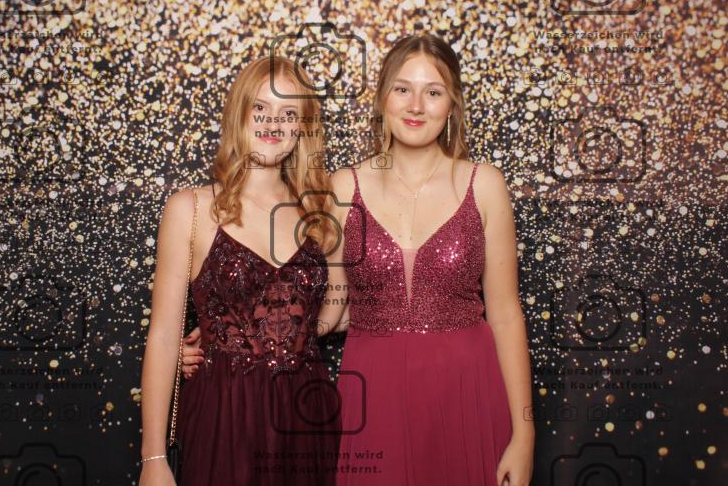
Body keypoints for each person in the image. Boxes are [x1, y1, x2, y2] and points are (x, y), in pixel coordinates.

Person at [319, 33, 535, 485]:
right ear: (382, 97)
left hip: (467, 391)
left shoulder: (484, 185)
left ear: (452, 105)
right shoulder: (343, 187)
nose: (416, 105)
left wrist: (525, 434)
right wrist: (238, 331)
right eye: (403, 89)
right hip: (373, 393)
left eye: (433, 92)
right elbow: (330, 312)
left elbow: (506, 314)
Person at [138, 55, 340, 486]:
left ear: (303, 128)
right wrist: (153, 457)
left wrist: (259, 333)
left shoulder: (319, 213)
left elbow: (332, 314)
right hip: (224, 412)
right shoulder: (190, 209)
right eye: (260, 108)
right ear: (239, 114)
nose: (273, 123)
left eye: (288, 113)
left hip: (307, 411)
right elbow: (163, 335)